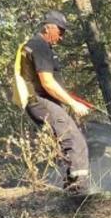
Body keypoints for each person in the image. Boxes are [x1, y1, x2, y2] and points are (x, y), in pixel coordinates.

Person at [15, 10, 92, 195]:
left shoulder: (38, 46)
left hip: (38, 101)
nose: (62, 36)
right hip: (40, 101)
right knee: (74, 140)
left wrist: (69, 99)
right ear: (48, 26)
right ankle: (79, 192)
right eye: (60, 31)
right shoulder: (39, 46)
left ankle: (69, 188)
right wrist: (73, 104)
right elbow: (47, 83)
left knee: (65, 143)